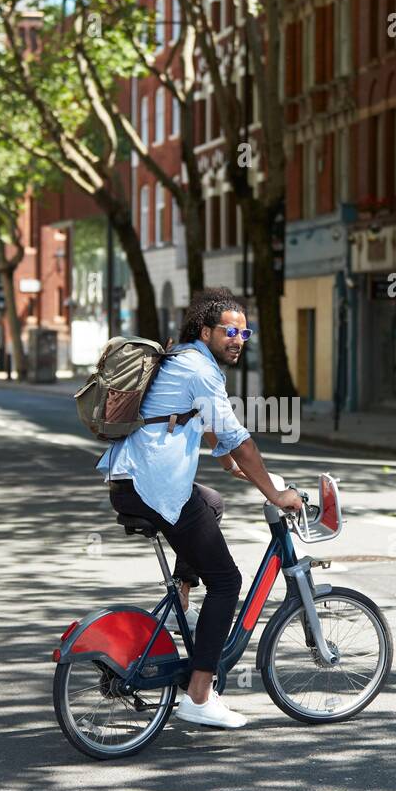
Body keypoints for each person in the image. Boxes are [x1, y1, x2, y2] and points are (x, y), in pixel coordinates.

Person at [98, 287, 303, 730]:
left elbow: (204, 420)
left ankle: (181, 602)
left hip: (132, 480)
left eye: (244, 332)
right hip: (152, 486)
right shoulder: (200, 370)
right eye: (229, 330)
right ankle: (199, 694)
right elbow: (240, 438)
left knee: (210, 502)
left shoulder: (186, 359)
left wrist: (224, 459)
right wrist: (276, 494)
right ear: (205, 330)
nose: (237, 338)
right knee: (228, 581)